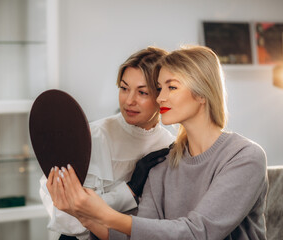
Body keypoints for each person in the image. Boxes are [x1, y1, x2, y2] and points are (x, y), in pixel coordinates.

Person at [49, 45, 268, 240]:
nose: (160, 98)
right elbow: (144, 235)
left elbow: (198, 233)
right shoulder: (161, 163)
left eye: (171, 87)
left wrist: (104, 214)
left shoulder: (245, 157)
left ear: (203, 94)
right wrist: (84, 215)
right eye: (160, 88)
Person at [40, 46, 175, 239]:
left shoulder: (169, 147)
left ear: (161, 95)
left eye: (142, 92)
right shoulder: (93, 137)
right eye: (124, 88)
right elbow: (68, 220)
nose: (129, 100)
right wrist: (130, 190)